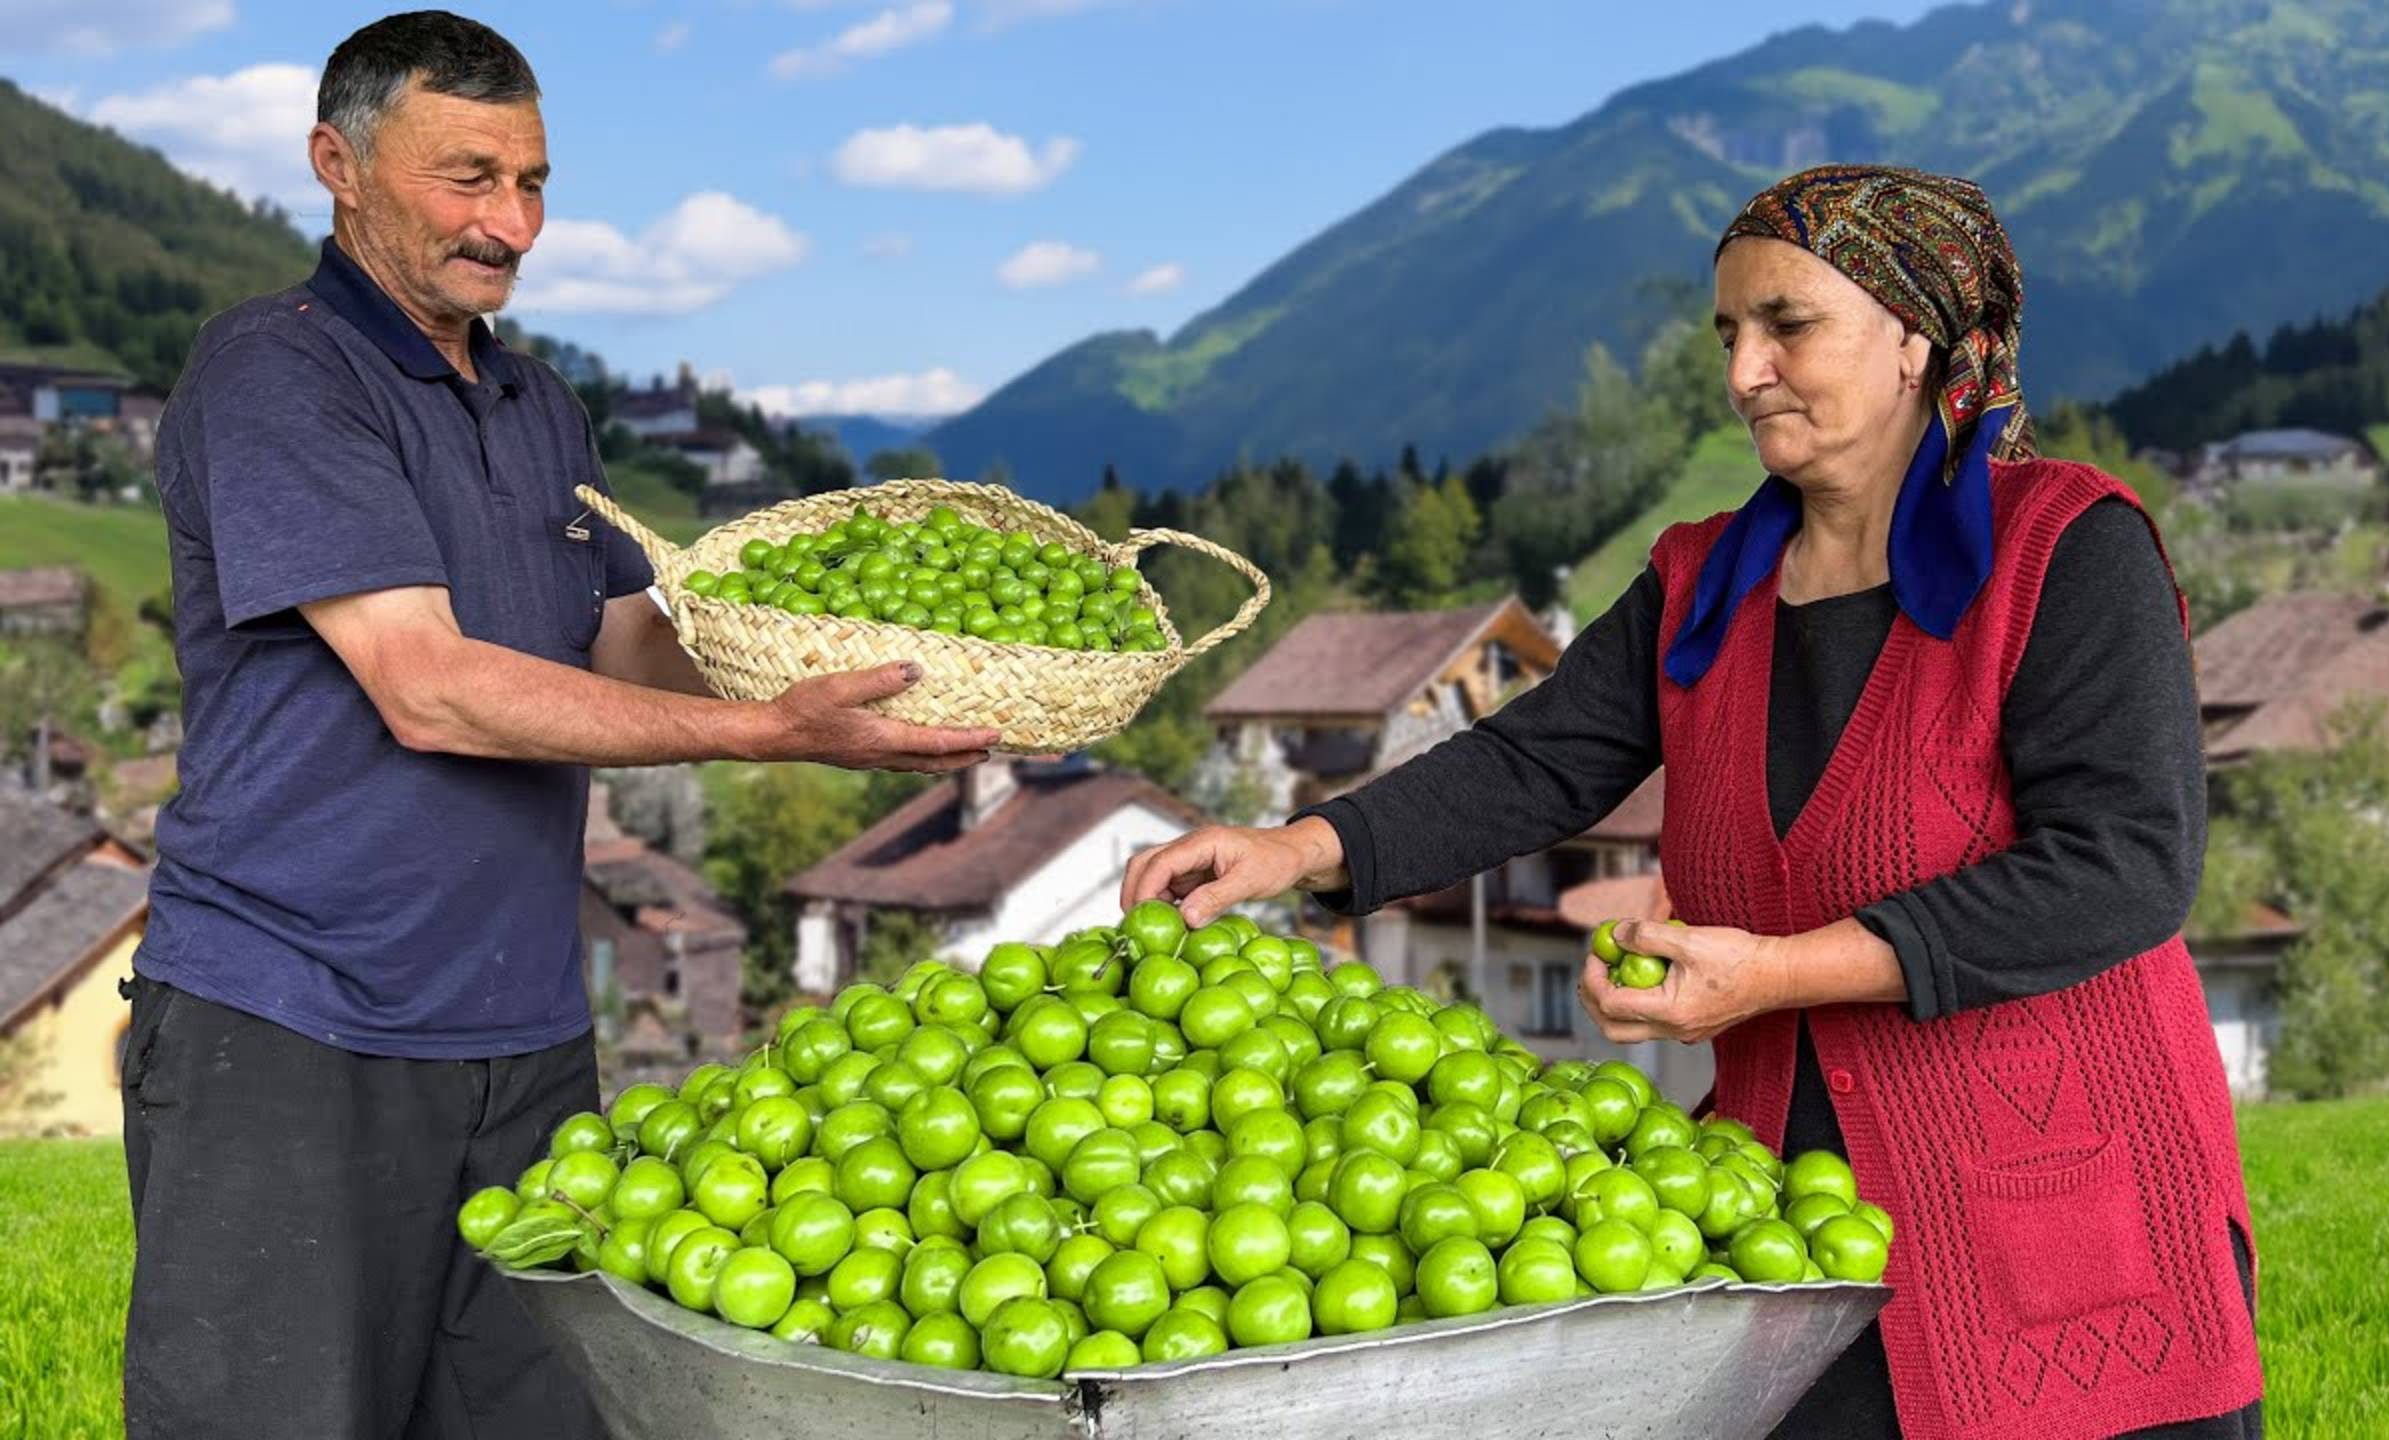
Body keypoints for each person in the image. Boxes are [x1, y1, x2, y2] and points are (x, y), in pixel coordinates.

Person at [1122, 165, 2265, 1439]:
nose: (1743, 373)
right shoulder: (1701, 579)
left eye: (1789, 325)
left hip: (2055, 1211)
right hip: (1785, 1219)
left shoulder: (2066, 548)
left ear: (1914, 339)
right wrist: (1297, 847)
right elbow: (1534, 759)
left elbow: (2124, 865)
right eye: (1730, 334)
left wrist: (1776, 973)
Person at [121, 13, 1000, 1438]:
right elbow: (429, 683)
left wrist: (852, 648)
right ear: (336, 166)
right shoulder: (275, 375)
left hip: (524, 1035)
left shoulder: (539, 407)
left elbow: (623, 639)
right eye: (467, 178)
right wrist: (768, 737)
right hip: (289, 1029)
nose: (510, 223)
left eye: (532, 183)